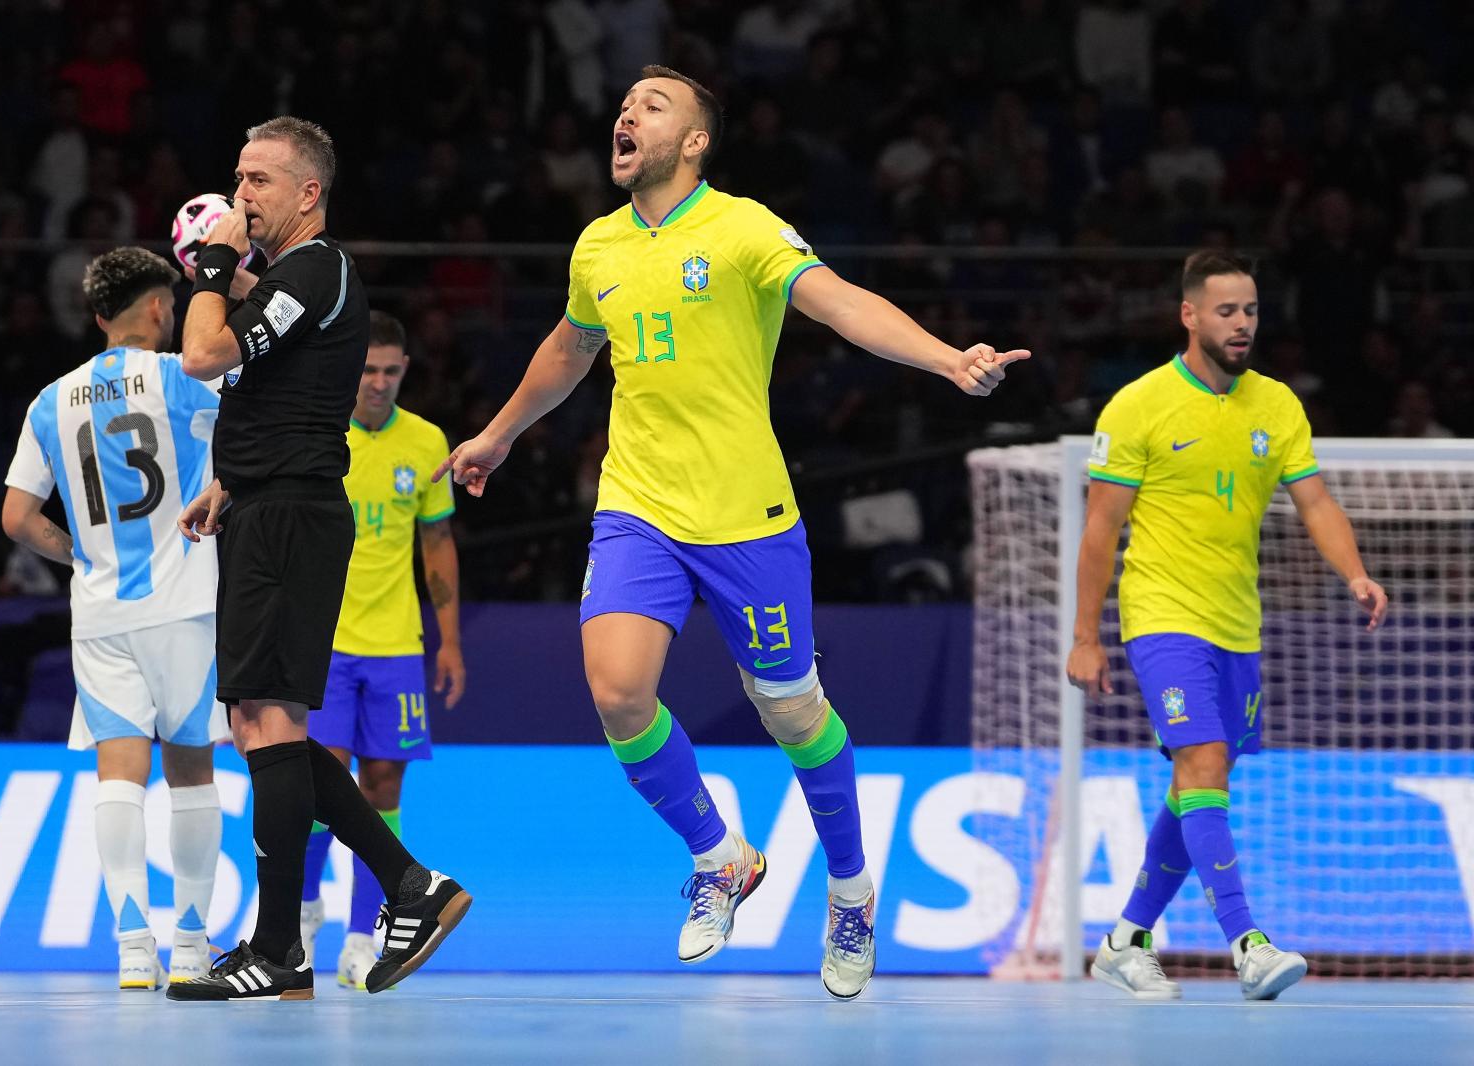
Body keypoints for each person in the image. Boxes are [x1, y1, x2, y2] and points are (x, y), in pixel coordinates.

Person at [435, 66, 1028, 1001]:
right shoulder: (599, 245)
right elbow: (568, 348)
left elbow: (840, 303)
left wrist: (948, 360)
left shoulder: (745, 227)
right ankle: (721, 857)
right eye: (625, 104)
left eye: (654, 105)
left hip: (749, 517)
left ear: (697, 141)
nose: (628, 113)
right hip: (638, 508)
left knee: (793, 713)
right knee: (619, 692)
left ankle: (850, 887)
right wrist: (500, 435)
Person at [168, 117, 469, 1002]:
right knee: (268, 729)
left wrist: (212, 271)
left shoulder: (315, 269)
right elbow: (279, 392)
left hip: (292, 520)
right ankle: (406, 889)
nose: (239, 196)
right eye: (236, 176)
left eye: (258, 180)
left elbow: (201, 356)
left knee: (267, 725)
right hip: (270, 508)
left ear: (308, 194)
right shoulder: (295, 280)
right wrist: (233, 481)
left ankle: (284, 947)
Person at [1067, 249, 1389, 1002]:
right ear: (1189, 315)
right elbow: (1099, 532)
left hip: (1239, 625)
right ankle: (1248, 944)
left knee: (1197, 784)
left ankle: (1123, 941)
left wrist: (1355, 573)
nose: (1242, 324)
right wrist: (1086, 635)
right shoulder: (1139, 406)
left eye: (1250, 311)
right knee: (1204, 763)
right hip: (1161, 617)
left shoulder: (1276, 405)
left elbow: (1314, 501)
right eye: (1226, 311)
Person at [0, 246, 227, 991]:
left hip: (98, 612)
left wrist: (79, 556)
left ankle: (134, 947)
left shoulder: (49, 399)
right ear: (162, 308)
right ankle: (191, 945)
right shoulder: (184, 377)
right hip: (186, 605)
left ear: (98, 316)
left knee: (117, 775)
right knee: (192, 769)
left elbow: (16, 517)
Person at [298, 310, 467, 988]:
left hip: (396, 645)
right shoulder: (317, 435)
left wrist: (449, 642)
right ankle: (304, 914)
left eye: (391, 371)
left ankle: (363, 936)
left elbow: (437, 546)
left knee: (383, 789)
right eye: (369, 370)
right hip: (325, 643)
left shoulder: (426, 443)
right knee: (319, 786)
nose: (379, 383)